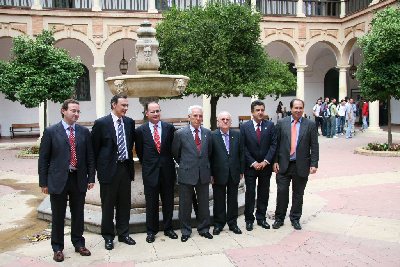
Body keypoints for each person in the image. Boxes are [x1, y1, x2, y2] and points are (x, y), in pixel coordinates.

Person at [38, 99, 95, 262]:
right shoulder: (51, 131)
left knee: (78, 214)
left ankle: (78, 243)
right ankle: (57, 248)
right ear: (63, 111)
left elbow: (90, 156)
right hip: (58, 179)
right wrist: (44, 182)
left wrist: (91, 177)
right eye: (73, 111)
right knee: (58, 216)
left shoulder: (84, 132)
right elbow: (43, 159)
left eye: (78, 111)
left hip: (78, 179)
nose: (76, 114)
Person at [91, 94, 136, 250]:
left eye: (127, 106)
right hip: (108, 171)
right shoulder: (101, 123)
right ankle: (108, 236)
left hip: (125, 168)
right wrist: (97, 170)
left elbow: (130, 145)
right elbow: (94, 149)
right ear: (113, 105)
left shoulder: (129, 123)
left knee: (125, 204)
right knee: (108, 206)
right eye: (123, 105)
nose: (125, 108)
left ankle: (124, 234)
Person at [272, 99, 319, 231]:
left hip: (302, 165)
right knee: (282, 193)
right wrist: (275, 161)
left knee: (298, 194)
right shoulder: (282, 123)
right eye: (295, 108)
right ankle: (279, 218)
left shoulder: (310, 124)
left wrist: (314, 163)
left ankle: (295, 218)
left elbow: (314, 145)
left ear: (303, 109)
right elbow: (276, 143)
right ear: (291, 109)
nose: (298, 110)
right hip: (283, 165)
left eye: (300, 108)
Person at [135, 102, 178, 243]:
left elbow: (173, 149)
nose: (155, 114)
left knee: (168, 202)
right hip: (150, 172)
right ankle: (151, 231)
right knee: (151, 203)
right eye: (152, 111)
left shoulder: (169, 128)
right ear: (146, 113)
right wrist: (149, 165)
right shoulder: (140, 131)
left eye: (157, 111)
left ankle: (168, 228)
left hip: (167, 171)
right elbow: (140, 152)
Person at [172, 105, 213, 242]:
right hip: (186, 173)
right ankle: (185, 231)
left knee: (203, 205)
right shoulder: (180, 134)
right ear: (189, 117)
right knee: (185, 205)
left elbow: (209, 153)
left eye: (200, 116)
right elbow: (176, 154)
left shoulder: (208, 133)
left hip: (203, 174)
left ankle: (204, 229)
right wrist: (187, 165)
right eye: (195, 115)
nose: (198, 118)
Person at [240, 100, 277, 231]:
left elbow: (274, 145)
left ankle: (261, 218)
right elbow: (243, 147)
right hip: (250, 167)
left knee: (263, 193)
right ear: (252, 112)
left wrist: (266, 161)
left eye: (262, 110)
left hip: (265, 167)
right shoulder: (244, 127)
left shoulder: (270, 125)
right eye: (257, 110)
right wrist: (253, 162)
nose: (260, 112)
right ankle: (249, 219)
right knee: (250, 193)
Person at [210, 111, 245, 235]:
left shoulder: (237, 135)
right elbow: (209, 156)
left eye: (227, 119)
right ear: (218, 122)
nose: (225, 121)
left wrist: (241, 170)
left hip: (234, 173)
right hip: (218, 174)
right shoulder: (212, 136)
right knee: (218, 200)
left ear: (231, 122)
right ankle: (218, 224)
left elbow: (241, 153)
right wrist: (211, 174)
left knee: (232, 200)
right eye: (223, 119)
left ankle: (232, 224)